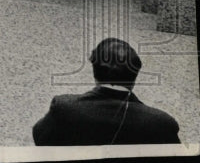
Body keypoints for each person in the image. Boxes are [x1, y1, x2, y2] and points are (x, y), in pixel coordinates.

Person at [32, 38, 181, 145]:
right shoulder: (162, 123)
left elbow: (40, 139)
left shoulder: (65, 108)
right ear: (134, 78)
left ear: (95, 73)